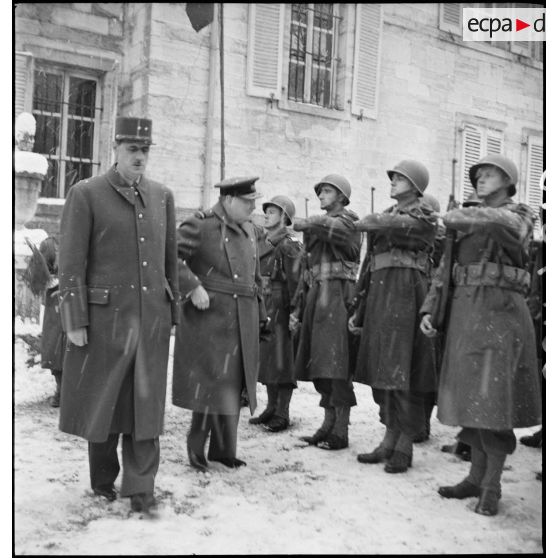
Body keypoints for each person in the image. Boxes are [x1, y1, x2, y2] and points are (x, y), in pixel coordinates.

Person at [58, 116, 179, 513]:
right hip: (106, 322)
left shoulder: (162, 196)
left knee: (146, 408)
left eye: (145, 150)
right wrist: (74, 319)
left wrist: (171, 314)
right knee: (105, 404)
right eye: (132, 149)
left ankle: (141, 488)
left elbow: (169, 261)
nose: (139, 157)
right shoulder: (87, 193)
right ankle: (103, 479)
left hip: (151, 324)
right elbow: (72, 262)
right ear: (116, 149)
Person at [420, 154, 542, 516]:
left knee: (493, 402)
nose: (481, 179)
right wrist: (430, 309)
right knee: (472, 400)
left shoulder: (521, 214)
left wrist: (457, 215)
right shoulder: (467, 219)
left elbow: (507, 226)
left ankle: (491, 486)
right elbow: (445, 269)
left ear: (508, 181)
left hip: (501, 315)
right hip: (465, 314)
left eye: (490, 175)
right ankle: (474, 477)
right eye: (479, 175)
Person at [173, 177, 267, 472]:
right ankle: (196, 446)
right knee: (209, 382)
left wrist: (261, 313)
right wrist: (192, 287)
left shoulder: (251, 229)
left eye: (254, 201)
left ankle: (224, 451)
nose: (253, 207)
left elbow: (256, 277)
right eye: (247, 202)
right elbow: (169, 257)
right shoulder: (201, 225)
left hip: (243, 316)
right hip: (210, 318)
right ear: (228, 200)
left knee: (234, 383)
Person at [349, 160, 438, 473]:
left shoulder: (424, 213)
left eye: (400, 178)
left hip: (407, 293)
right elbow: (368, 262)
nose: (393, 181)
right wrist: (360, 304)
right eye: (393, 177)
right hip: (381, 293)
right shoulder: (385, 216)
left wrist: (376, 221)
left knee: (403, 371)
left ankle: (404, 446)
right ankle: (388, 440)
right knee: (383, 371)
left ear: (415, 186)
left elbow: (406, 228)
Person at [290, 174, 361, 450]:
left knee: (336, 364)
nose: (321, 195)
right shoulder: (316, 227)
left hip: (338, 296)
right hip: (316, 294)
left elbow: (337, 233)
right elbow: (306, 268)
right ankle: (327, 423)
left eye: (328, 191)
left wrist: (305, 222)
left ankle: (341, 430)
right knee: (319, 363)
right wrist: (298, 306)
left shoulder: (349, 222)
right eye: (320, 191)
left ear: (342, 196)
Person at [249, 196, 303, 432]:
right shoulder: (265, 241)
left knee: (283, 361)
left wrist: (295, 312)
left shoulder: (289, 244)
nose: (267, 215)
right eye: (266, 211)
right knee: (269, 359)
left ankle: (283, 412)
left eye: (273, 211)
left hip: (281, 305)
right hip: (265, 304)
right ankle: (271, 407)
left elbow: (296, 282)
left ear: (284, 217)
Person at [38, 237, 65, 408]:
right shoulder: (51, 244)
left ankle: (61, 393)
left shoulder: (54, 244)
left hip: (60, 309)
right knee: (58, 353)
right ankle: (61, 392)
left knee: (59, 353)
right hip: (58, 311)